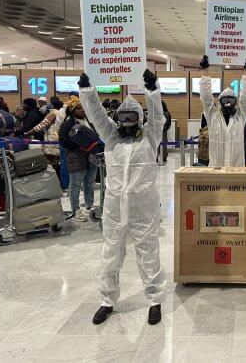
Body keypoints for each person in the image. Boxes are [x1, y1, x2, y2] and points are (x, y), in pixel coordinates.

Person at [78, 70, 166, 326]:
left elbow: (158, 117)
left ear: (139, 119)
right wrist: (87, 91)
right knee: (110, 255)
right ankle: (107, 301)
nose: (126, 121)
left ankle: (154, 300)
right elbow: (95, 115)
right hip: (115, 207)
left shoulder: (150, 137)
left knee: (148, 253)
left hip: (144, 208)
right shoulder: (111, 138)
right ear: (116, 119)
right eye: (122, 117)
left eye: (132, 117)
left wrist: (152, 90)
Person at [199, 55, 246, 167]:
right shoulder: (212, 116)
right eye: (225, 99)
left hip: (236, 169)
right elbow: (206, 97)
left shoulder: (240, 116)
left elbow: (245, 96)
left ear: (235, 101)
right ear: (220, 101)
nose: (228, 102)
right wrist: (205, 71)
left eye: (231, 99)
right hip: (216, 170)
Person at [58, 97, 99, 222]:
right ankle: (75, 209)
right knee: (75, 185)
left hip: (92, 156)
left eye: (83, 108)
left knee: (89, 183)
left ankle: (89, 206)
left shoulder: (90, 122)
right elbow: (63, 139)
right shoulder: (68, 123)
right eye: (79, 109)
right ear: (72, 110)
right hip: (76, 156)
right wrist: (78, 145)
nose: (82, 111)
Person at [156, 100, 171, 165]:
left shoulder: (157, 113)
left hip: (157, 131)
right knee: (164, 144)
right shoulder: (167, 113)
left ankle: (156, 156)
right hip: (164, 131)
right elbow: (169, 123)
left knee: (156, 144)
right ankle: (164, 157)